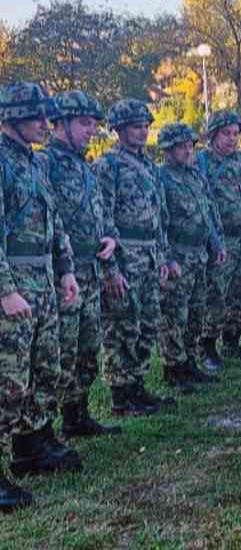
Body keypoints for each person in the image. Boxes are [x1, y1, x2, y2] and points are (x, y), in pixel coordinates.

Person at [0, 82, 81, 512]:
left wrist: (66, 270)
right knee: (7, 379)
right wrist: (6, 291)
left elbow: (56, 224)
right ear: (12, 118)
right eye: (36, 117)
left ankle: (31, 446)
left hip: (43, 281)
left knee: (42, 369)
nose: (45, 124)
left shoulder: (32, 164)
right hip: (13, 284)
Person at [38, 90, 121, 438]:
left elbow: (100, 212)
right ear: (61, 124)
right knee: (60, 352)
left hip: (90, 269)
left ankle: (77, 415)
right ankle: (40, 430)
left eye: (94, 125)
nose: (91, 131)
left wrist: (110, 241)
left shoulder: (84, 166)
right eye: (84, 123)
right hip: (62, 274)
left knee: (88, 347)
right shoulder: (44, 163)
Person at [94, 99, 174, 416]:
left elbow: (160, 216)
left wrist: (164, 257)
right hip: (125, 256)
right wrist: (110, 268)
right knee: (121, 326)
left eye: (145, 126)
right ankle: (120, 394)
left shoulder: (148, 166)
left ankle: (138, 385)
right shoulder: (107, 165)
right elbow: (103, 218)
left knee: (148, 323)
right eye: (135, 127)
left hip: (150, 255)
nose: (142, 132)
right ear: (119, 130)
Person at [157, 123, 226, 394]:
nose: (188, 150)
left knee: (197, 310)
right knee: (174, 313)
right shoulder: (161, 178)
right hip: (177, 254)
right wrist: (166, 257)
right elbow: (159, 222)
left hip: (199, 254)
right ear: (168, 149)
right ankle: (173, 368)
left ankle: (189, 361)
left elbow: (208, 212)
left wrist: (216, 242)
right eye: (182, 146)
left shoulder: (196, 176)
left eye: (190, 145)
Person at [197, 110, 241, 366]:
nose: (232, 139)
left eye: (236, 134)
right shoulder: (202, 162)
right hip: (221, 241)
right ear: (214, 135)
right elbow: (199, 205)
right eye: (226, 134)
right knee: (216, 294)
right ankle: (206, 347)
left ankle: (232, 341)